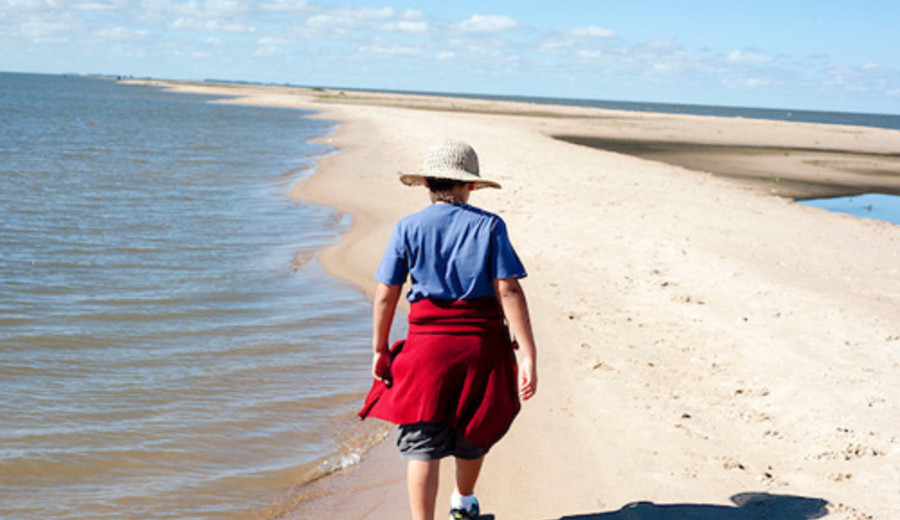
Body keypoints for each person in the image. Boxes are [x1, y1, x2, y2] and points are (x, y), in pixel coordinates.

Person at [358, 139, 538, 520]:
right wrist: (528, 354)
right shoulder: (490, 225)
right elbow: (508, 289)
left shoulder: (407, 227)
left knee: (422, 442)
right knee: (476, 425)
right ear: (471, 185)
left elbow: (386, 296)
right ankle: (463, 502)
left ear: (426, 184)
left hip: (426, 350)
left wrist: (380, 348)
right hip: (481, 346)